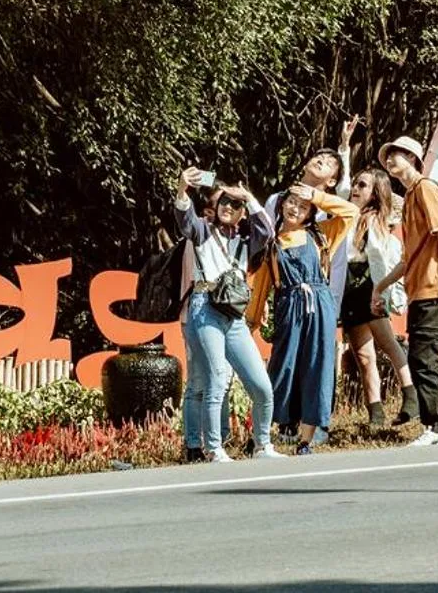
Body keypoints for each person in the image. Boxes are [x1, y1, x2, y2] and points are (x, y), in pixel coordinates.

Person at [173, 170, 283, 462]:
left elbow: (268, 230)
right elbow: (185, 219)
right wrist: (183, 189)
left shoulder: (247, 240)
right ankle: (213, 447)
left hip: (233, 315)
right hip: (205, 306)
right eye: (224, 202)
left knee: (260, 384)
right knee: (217, 377)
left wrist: (248, 197)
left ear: (243, 212)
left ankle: (263, 444)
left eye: (235, 205)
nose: (228, 208)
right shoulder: (203, 231)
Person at [375, 136, 438, 447]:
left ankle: (436, 427)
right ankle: (434, 426)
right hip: (418, 289)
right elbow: (408, 256)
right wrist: (381, 285)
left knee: (425, 358)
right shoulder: (409, 197)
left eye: (397, 155)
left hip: (435, 286)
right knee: (421, 358)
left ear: (412, 157)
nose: (391, 160)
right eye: (389, 156)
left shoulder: (426, 188)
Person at [268, 182, 355, 453]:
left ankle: (306, 440)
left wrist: (317, 196)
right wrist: (251, 321)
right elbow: (262, 285)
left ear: (310, 214)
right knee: (283, 368)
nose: (296, 208)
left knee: (318, 366)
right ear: (282, 204)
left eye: (303, 207)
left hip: (319, 302)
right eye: (292, 202)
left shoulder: (322, 235)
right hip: (289, 304)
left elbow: (351, 212)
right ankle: (268, 432)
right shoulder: (270, 242)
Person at [332, 166, 414, 427]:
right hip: (349, 287)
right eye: (356, 183)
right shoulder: (350, 211)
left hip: (368, 284)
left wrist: (380, 293)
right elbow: (342, 188)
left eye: (363, 185)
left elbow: (378, 259)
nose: (356, 189)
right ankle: (375, 414)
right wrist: (344, 149)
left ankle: (411, 397)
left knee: (388, 343)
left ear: (376, 193)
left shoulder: (373, 218)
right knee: (364, 355)